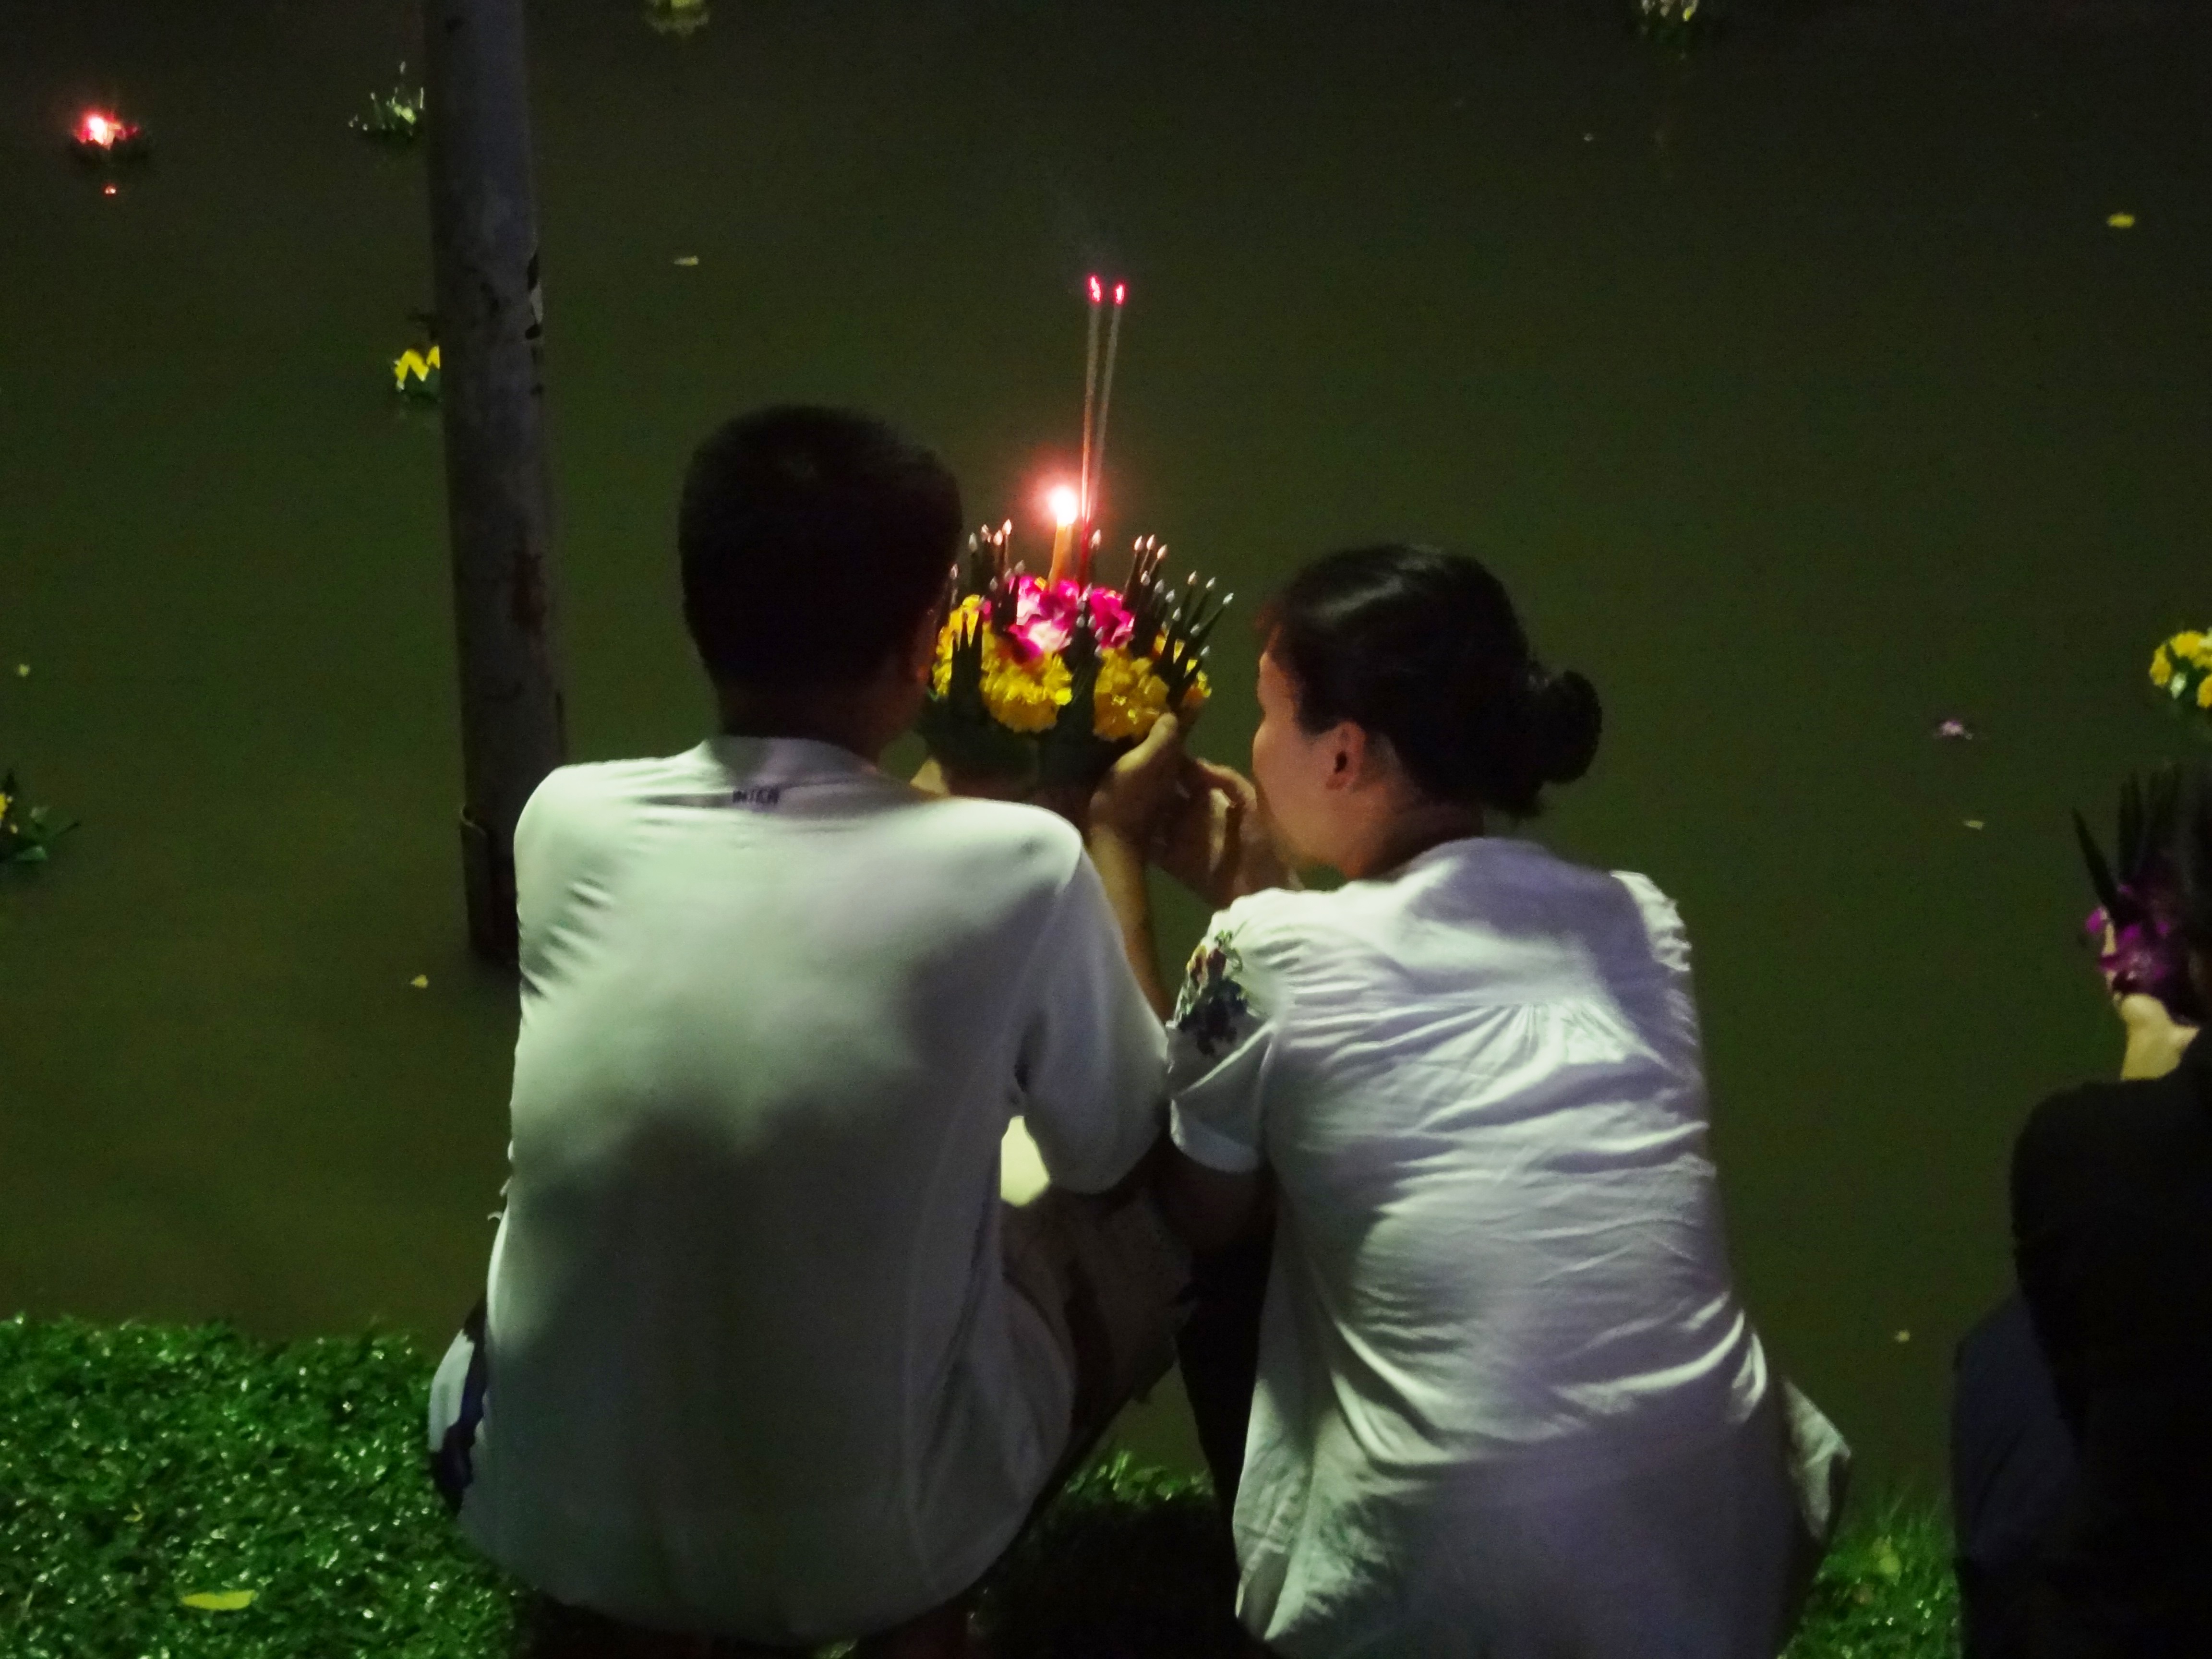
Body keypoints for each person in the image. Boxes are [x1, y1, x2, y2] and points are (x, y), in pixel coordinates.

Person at [425, 406, 1190, 1659]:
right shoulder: (1024, 868)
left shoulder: (565, 820)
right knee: (1125, 1215)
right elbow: (1118, 1152)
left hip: (535, 1508)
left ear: (695, 613)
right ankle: (916, 1613)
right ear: (925, 643)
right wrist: (1108, 833)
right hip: (878, 1552)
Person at [1093, 544, 1850, 1659]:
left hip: (1457, 1592)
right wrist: (1267, 898)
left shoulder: (1270, 951)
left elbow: (1193, 1205)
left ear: (1343, 753)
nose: (1252, 751)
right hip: (1715, 1561)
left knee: (1225, 1233)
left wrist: (1110, 845)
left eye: (1268, 717)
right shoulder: (1639, 920)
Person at [2008, 760, 2212, 1655]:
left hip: (2136, 1625)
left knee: (1994, 1367)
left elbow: (2091, 1395)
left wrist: (2147, 1065)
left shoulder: (2074, 1147)